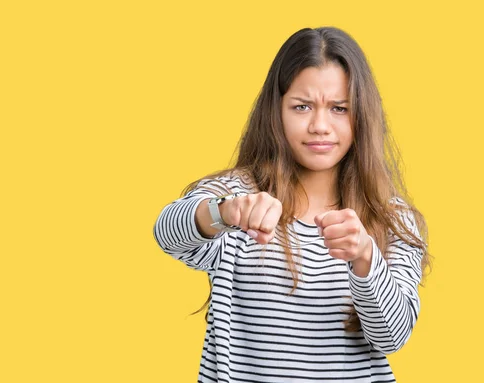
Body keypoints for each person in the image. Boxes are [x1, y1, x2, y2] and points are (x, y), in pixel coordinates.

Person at [153, 26, 431, 383]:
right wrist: (225, 212)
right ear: (277, 110)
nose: (319, 126)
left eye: (339, 109)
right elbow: (167, 233)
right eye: (302, 106)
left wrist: (365, 258)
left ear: (362, 115)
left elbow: (392, 336)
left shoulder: (393, 219)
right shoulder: (237, 196)